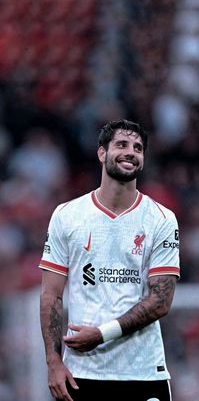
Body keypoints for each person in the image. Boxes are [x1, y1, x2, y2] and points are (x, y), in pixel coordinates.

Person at [39, 119, 180, 401]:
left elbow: (161, 301)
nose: (131, 152)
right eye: (122, 144)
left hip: (143, 373)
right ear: (102, 153)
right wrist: (54, 362)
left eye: (138, 148)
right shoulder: (67, 216)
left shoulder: (162, 219)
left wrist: (101, 334)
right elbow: (50, 296)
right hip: (81, 375)